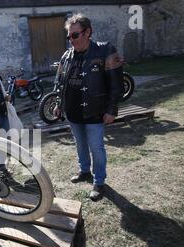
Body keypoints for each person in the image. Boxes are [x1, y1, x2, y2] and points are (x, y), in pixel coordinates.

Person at [54, 14, 124, 201]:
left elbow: (117, 84)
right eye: (69, 36)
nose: (71, 40)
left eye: (75, 35)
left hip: (95, 111)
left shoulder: (106, 50)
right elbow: (60, 81)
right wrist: (58, 104)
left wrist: (112, 109)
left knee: (96, 147)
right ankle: (84, 170)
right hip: (73, 111)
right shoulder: (67, 55)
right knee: (80, 144)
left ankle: (99, 181)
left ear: (88, 32)